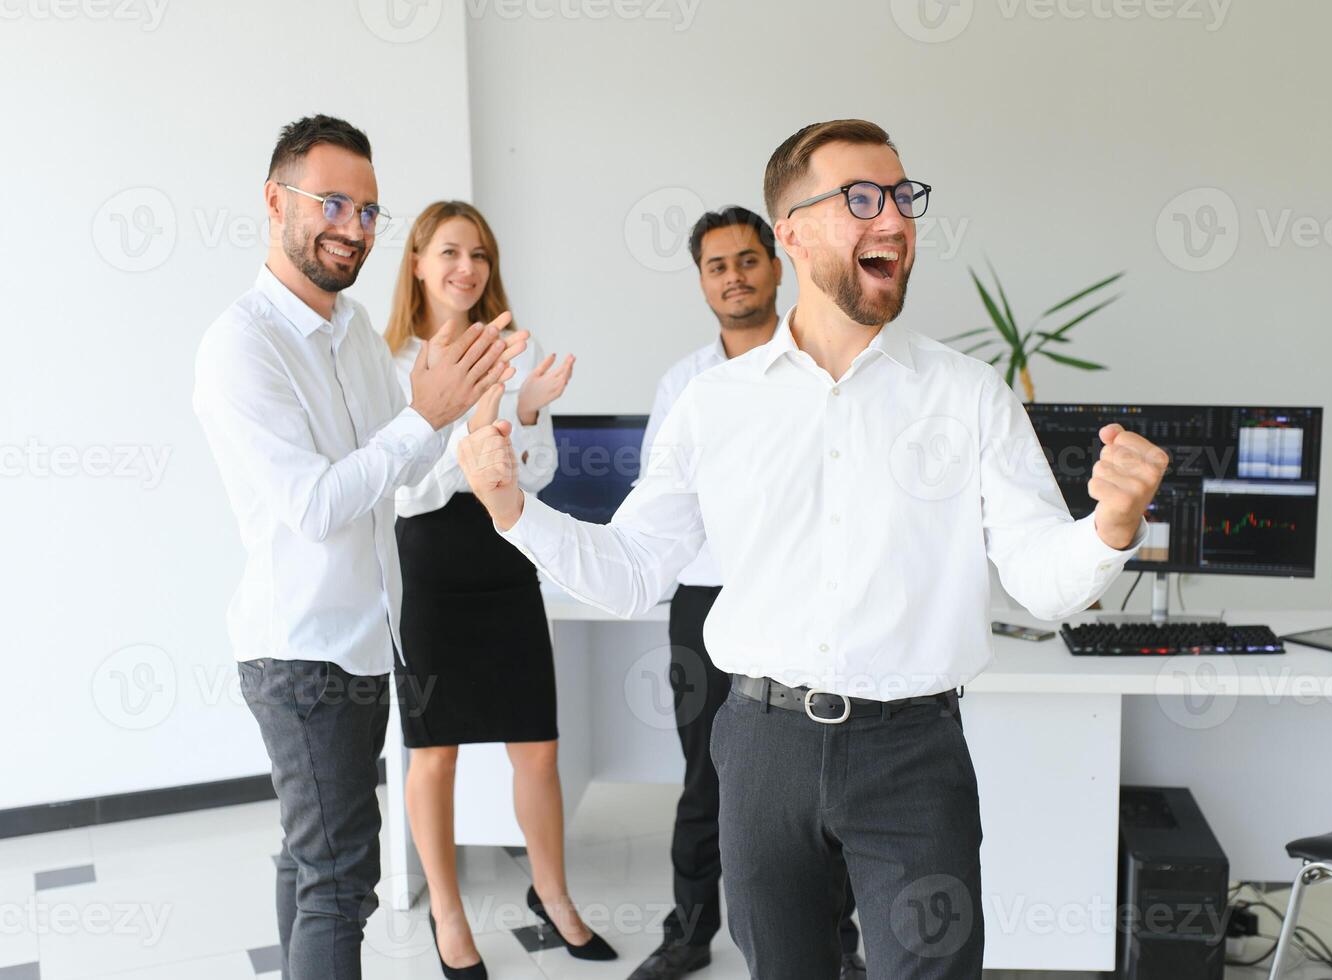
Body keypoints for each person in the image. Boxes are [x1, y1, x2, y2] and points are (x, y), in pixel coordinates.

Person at [457, 119, 1169, 979]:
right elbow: (636, 569)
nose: (895, 221)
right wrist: (511, 508)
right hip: (760, 749)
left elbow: (1039, 580)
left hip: (913, 754)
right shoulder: (713, 405)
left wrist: (1109, 527)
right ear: (789, 231)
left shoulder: (968, 395)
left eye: (903, 198)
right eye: (861, 199)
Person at [193, 115, 526, 980]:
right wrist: (424, 413)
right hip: (303, 652)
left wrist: (459, 408)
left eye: (370, 210)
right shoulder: (243, 345)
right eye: (333, 202)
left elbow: (400, 481)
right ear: (276, 201)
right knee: (341, 887)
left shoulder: (350, 332)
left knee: (309, 866)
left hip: (361, 645)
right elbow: (314, 505)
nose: (354, 227)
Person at [628, 206, 864, 980]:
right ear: (702, 281)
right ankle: (689, 931)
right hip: (708, 600)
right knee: (706, 771)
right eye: (716, 265)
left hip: (809, 598)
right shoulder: (685, 384)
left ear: (776, 263)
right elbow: (666, 502)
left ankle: (837, 942)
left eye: (746, 260)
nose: (733, 276)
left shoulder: (826, 363)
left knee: (818, 775)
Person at [383, 201, 613, 977]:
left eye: (478, 253)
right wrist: (473, 433)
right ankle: (448, 916)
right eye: (448, 251)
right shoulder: (391, 361)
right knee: (433, 753)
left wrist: (519, 413)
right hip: (431, 564)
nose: (466, 268)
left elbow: (539, 475)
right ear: (416, 261)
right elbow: (404, 488)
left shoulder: (519, 348)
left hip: (505, 548)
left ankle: (554, 899)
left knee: (538, 747)